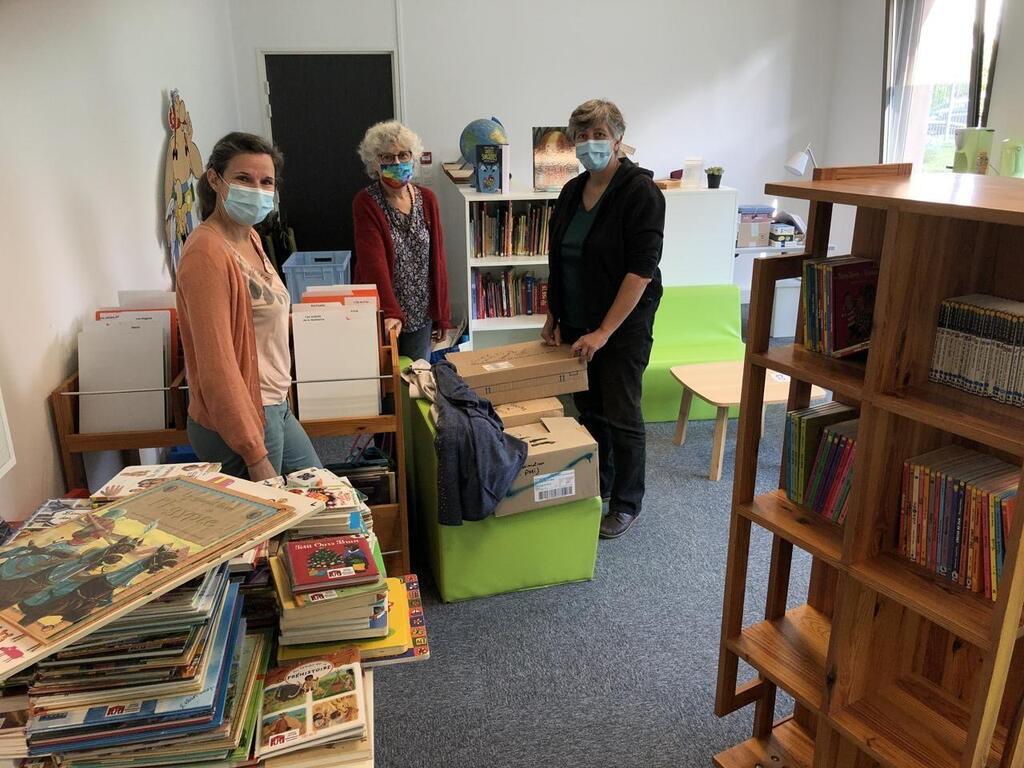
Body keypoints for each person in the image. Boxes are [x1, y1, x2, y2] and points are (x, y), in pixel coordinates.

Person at [542, 99, 665, 540]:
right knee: (590, 410)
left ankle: (628, 502)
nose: (589, 144)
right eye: (581, 137)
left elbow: (640, 272)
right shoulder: (573, 190)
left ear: (617, 139)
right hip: (577, 320)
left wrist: (604, 332)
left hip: (621, 327)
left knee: (622, 411)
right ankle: (603, 483)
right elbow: (559, 256)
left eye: (598, 135)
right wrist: (554, 314)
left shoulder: (640, 193)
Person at [178, 132, 322, 481]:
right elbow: (218, 366)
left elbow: (261, 314)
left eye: (266, 182)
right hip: (243, 420)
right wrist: (254, 454)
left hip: (274, 404)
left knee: (323, 496)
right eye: (243, 178)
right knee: (277, 527)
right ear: (215, 179)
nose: (256, 189)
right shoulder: (207, 253)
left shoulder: (250, 236)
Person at [353, 121, 450, 361]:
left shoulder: (427, 199)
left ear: (412, 157)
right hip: (383, 312)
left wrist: (442, 313)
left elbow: (437, 260)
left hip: (420, 313)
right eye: (387, 156)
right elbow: (372, 264)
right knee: (385, 386)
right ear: (375, 163)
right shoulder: (366, 203)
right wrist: (390, 312)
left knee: (416, 384)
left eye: (403, 155)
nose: (397, 162)